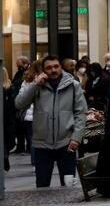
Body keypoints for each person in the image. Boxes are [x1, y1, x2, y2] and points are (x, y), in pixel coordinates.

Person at [15, 55, 87, 187]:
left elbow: (81, 113)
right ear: (43, 70)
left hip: (67, 143)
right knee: (42, 185)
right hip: (42, 144)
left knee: (68, 186)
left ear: (60, 67)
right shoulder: (37, 85)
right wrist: (35, 85)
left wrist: (76, 138)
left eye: (56, 66)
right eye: (49, 68)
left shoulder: (73, 85)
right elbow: (19, 104)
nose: (53, 70)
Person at [11, 56, 29, 154]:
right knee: (19, 128)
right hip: (18, 102)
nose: (18, 66)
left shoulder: (28, 73)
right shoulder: (19, 73)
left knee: (24, 127)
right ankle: (20, 146)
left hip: (24, 104)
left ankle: (27, 147)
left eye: (20, 64)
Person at [2, 68, 14, 171]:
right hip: (7, 121)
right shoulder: (9, 88)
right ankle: (5, 157)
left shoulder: (8, 89)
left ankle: (4, 157)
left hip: (6, 121)